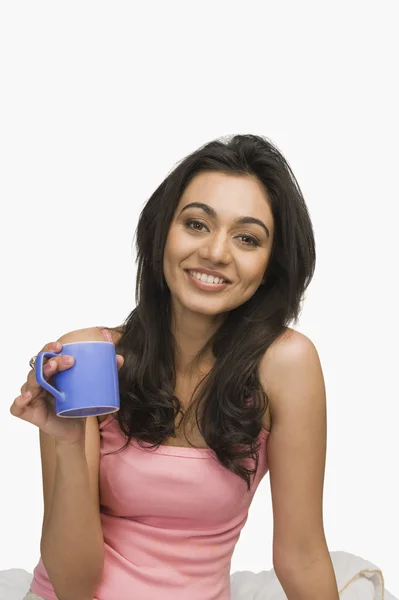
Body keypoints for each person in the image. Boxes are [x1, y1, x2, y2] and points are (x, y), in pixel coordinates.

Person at [11, 134, 340, 599]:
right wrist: (67, 443)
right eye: (197, 224)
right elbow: (72, 584)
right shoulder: (87, 355)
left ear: (272, 265)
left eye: (247, 238)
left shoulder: (287, 364)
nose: (216, 253)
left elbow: (302, 554)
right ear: (162, 230)